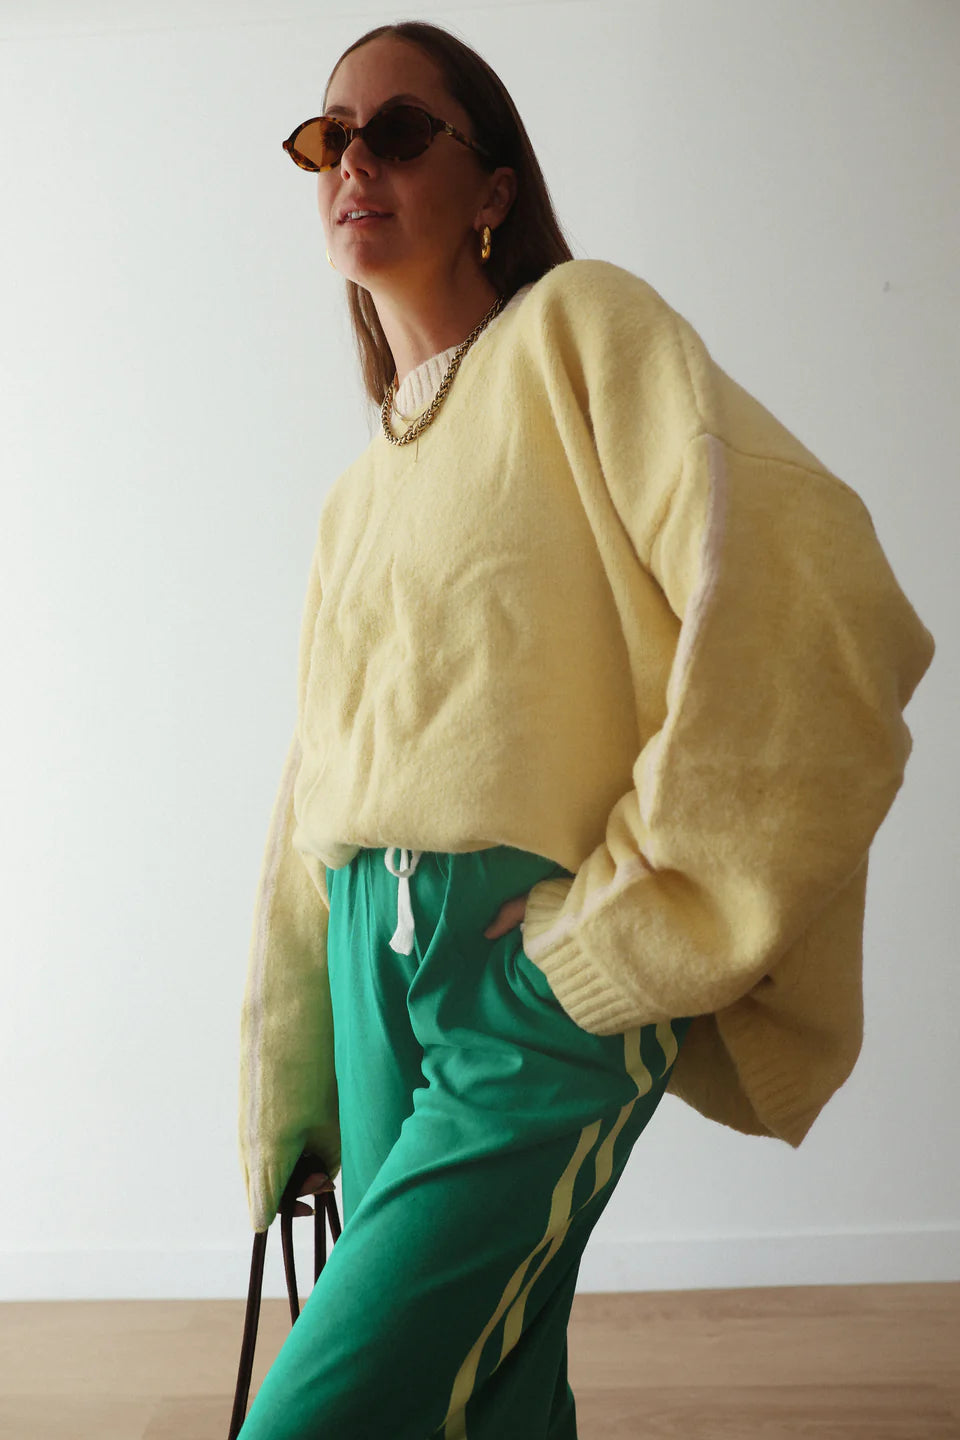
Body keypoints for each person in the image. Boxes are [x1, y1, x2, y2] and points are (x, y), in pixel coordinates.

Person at [236, 20, 935, 1440]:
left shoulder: (579, 332)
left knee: (322, 1413)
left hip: (529, 972)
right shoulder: (356, 496)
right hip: (373, 970)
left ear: (493, 186)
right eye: (327, 138)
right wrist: (292, 1093)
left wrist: (633, 924)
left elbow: (818, 596)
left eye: (399, 131)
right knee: (485, 1402)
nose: (353, 162)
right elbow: (319, 800)